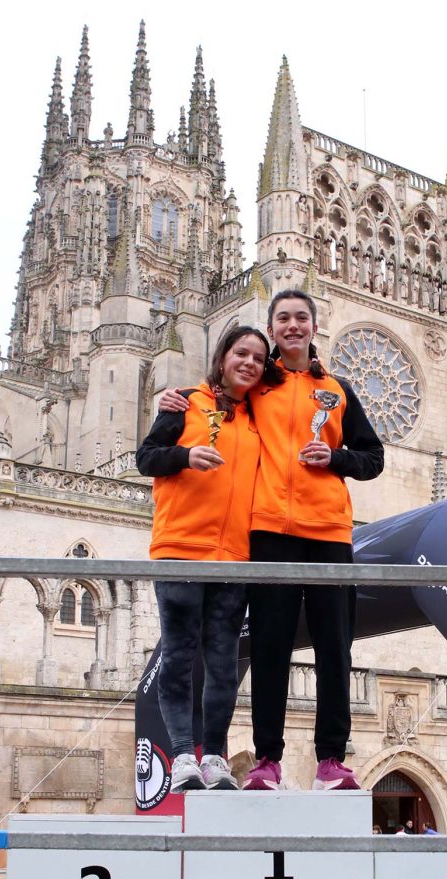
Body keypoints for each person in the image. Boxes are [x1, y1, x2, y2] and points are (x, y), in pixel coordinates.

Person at [160, 289, 384, 791]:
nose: (293, 325)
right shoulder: (258, 385)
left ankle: (331, 760)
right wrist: (175, 398)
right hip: (267, 531)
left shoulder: (339, 390)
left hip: (328, 532)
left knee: (334, 647)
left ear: (314, 327)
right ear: (272, 327)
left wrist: (338, 459)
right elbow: (217, 395)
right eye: (283, 318)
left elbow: (373, 458)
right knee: (269, 648)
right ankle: (267, 760)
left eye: (302, 317)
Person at [136, 327, 281, 791]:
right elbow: (146, 459)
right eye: (242, 353)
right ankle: (182, 755)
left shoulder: (260, 418)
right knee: (179, 656)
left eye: (258, 358)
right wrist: (185, 456)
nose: (250, 363)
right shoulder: (184, 402)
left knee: (222, 664)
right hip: (181, 548)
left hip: (234, 557)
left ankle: (214, 756)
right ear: (222, 357)